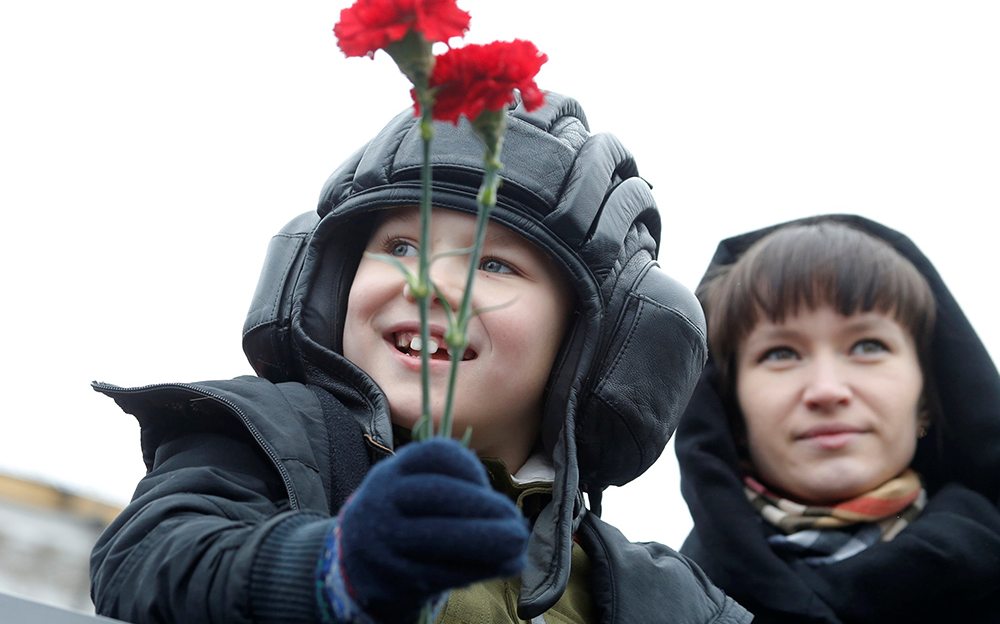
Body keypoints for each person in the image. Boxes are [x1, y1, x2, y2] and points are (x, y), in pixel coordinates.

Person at [90, 92, 752, 624]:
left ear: (591, 343)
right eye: (402, 247)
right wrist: (335, 572)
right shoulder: (270, 438)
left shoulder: (653, 595)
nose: (428, 283)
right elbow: (146, 556)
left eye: (494, 264)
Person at [675, 215, 1000, 623]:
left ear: (925, 400)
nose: (826, 390)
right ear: (730, 408)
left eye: (868, 346)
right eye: (780, 354)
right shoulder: (656, 603)